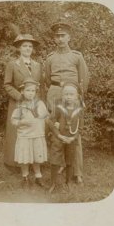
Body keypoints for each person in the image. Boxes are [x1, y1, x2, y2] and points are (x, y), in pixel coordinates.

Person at [45, 20, 89, 183]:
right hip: (55, 93)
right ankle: (58, 168)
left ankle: (77, 172)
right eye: (57, 36)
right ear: (54, 39)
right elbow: (48, 79)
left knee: (73, 131)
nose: (60, 39)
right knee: (55, 130)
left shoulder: (77, 56)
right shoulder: (50, 58)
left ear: (69, 37)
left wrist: (80, 97)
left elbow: (83, 79)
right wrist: (54, 93)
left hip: (73, 94)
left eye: (63, 36)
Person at [4, 34, 43, 168]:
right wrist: (19, 96)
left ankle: (33, 161)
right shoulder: (12, 64)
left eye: (30, 46)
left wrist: (38, 101)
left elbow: (39, 85)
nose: (27, 48)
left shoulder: (37, 65)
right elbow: (7, 84)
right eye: (24, 46)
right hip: (18, 102)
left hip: (34, 103)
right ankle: (15, 163)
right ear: (19, 49)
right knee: (18, 130)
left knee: (33, 129)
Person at [47, 81, 84, 193]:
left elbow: (80, 127)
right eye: (66, 94)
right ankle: (53, 183)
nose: (68, 97)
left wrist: (73, 138)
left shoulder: (79, 109)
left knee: (70, 159)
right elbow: (51, 122)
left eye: (71, 94)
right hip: (59, 138)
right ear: (62, 95)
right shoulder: (58, 107)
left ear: (77, 96)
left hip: (71, 139)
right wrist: (58, 135)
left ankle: (68, 182)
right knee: (55, 159)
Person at [11, 78, 49, 188]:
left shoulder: (40, 104)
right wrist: (21, 122)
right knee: (25, 157)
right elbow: (14, 120)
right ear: (22, 91)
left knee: (37, 156)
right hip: (25, 135)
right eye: (28, 91)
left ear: (36, 92)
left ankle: (38, 177)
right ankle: (25, 177)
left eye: (33, 91)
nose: (31, 93)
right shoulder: (20, 106)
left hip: (37, 134)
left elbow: (46, 116)